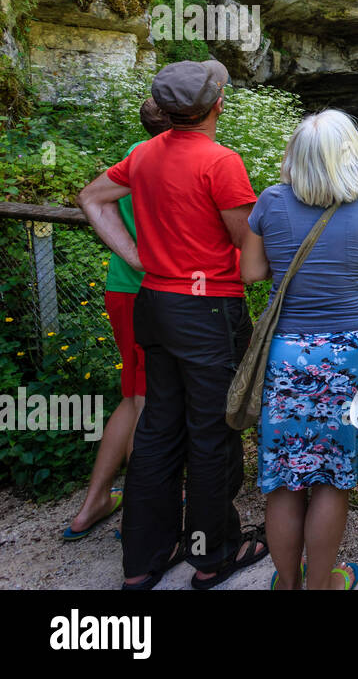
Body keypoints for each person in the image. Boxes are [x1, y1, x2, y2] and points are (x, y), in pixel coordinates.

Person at [77, 59, 269, 589]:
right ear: (216, 106)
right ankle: (211, 558)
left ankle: (141, 563)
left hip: (155, 303)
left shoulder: (142, 153)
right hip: (207, 312)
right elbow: (242, 241)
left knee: (159, 429)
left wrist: (138, 257)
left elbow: (92, 199)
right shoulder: (220, 160)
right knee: (211, 433)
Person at [240, 109, 358, 590]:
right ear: (352, 155)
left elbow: (250, 273)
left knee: (287, 474)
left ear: (296, 156)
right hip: (349, 352)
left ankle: (287, 583)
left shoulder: (269, 202)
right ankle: (321, 583)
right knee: (332, 476)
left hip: (287, 352)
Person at [63, 98, 171, 541]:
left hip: (120, 287)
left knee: (132, 396)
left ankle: (95, 503)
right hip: (153, 292)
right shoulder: (168, 163)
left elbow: (97, 201)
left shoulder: (133, 154)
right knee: (149, 403)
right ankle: (139, 515)